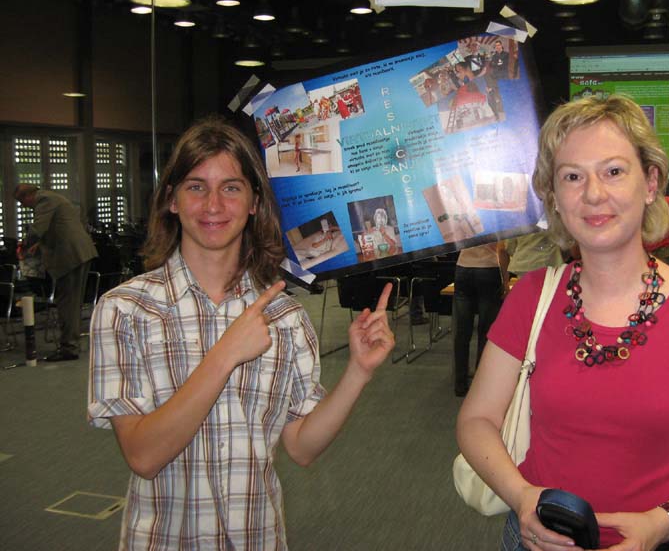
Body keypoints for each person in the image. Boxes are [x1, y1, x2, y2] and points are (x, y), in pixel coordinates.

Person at [456, 95, 669, 550]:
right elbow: (477, 419)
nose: (593, 194)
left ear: (651, 182)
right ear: (554, 198)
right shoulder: (531, 297)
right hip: (536, 539)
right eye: (572, 176)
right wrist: (521, 497)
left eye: (614, 171)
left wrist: (663, 523)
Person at [87, 116, 396, 550]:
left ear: (254, 202)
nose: (213, 205)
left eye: (231, 188)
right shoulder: (126, 310)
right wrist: (225, 353)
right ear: (172, 199)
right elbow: (143, 455)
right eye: (196, 186)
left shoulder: (285, 317)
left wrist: (358, 373)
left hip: (257, 538)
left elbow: (302, 447)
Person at [14, 183, 98, 361]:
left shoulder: (44, 200)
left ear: (27, 196)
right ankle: (70, 344)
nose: (24, 206)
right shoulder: (52, 198)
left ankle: (69, 348)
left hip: (70, 256)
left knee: (67, 303)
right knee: (71, 302)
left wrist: (24, 245)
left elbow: (38, 228)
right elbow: (57, 226)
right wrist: (38, 244)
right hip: (77, 254)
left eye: (21, 202)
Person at [452, 242, 506, 397]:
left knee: (462, 331)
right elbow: (502, 248)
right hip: (489, 267)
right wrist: (505, 279)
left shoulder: (463, 222)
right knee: (486, 330)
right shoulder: (495, 224)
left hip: (463, 267)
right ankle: (480, 382)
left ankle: (460, 382)